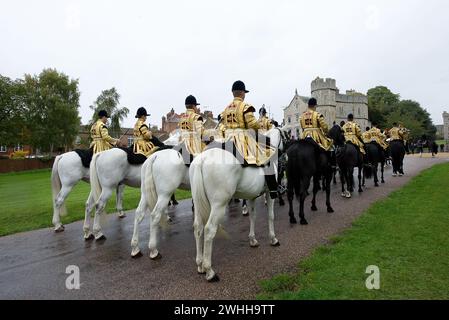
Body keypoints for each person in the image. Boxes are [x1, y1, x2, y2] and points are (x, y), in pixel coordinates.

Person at [218, 80, 278, 199]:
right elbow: (253, 125)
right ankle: (272, 188)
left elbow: (222, 124)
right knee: (267, 154)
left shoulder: (226, 109)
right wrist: (257, 126)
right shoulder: (245, 107)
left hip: (227, 139)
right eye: (244, 92)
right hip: (242, 139)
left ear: (233, 93)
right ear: (242, 93)